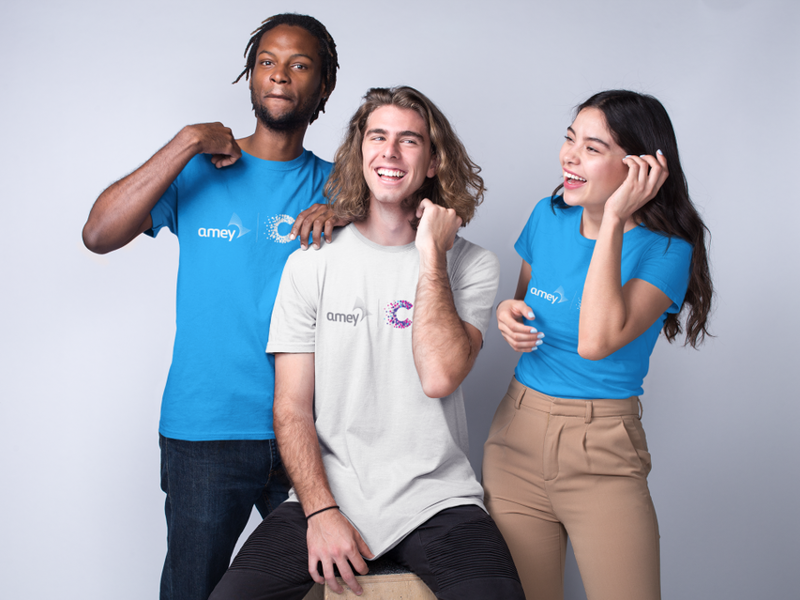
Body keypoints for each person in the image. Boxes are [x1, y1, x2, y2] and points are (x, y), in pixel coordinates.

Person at [209, 86, 525, 600]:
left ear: (433, 161)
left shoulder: (471, 264)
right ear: (361, 152)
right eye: (378, 137)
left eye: (409, 141)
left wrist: (430, 254)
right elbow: (291, 408)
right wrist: (321, 510)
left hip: (437, 500)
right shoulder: (310, 262)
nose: (390, 153)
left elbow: (439, 375)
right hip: (336, 493)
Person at [81, 14, 343, 600]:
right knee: (191, 590)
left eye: (299, 64)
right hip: (206, 431)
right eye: (267, 62)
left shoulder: (343, 187)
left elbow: (419, 231)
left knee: (331, 589)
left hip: (313, 430)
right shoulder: (196, 170)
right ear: (250, 77)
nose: (280, 75)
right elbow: (99, 233)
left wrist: (351, 215)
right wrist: (187, 141)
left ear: (322, 87)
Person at [483, 89, 713, 600]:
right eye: (570, 140)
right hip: (515, 436)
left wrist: (612, 220)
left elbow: (595, 341)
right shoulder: (547, 217)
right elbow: (523, 301)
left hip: (603, 449)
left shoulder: (667, 250)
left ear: (640, 167)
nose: (569, 155)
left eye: (592, 147)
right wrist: (506, 313)